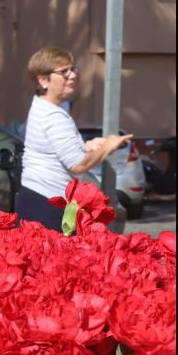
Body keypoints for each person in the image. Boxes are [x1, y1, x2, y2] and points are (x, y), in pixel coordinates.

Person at [16, 46, 131, 229]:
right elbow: (78, 164)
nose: (72, 75)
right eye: (63, 72)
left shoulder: (40, 105)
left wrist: (87, 146)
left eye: (72, 69)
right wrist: (108, 145)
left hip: (36, 197)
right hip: (47, 204)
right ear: (43, 80)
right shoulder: (53, 116)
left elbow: (54, 149)